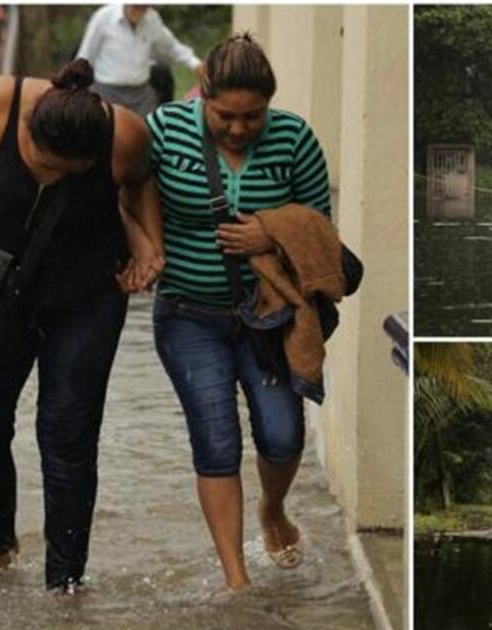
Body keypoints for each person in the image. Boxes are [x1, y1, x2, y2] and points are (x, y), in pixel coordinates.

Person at [0, 59, 164, 592]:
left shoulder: (124, 133)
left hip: (87, 297)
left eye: (69, 174)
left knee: (68, 434)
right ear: (27, 128)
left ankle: (66, 580)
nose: (51, 179)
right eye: (43, 166)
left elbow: (142, 183)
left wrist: (150, 243)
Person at [146, 33, 333, 591]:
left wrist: (269, 230)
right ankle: (237, 581)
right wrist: (142, 249)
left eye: (253, 116)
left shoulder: (295, 139)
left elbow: (320, 233)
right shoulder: (163, 131)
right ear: (203, 94)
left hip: (267, 318)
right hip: (186, 314)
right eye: (225, 115)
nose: (238, 128)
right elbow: (130, 193)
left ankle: (272, 509)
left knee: (282, 436)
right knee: (217, 442)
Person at [76, 4, 204, 117]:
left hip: (140, 94)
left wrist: (195, 63)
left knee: (149, 135)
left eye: (143, 6)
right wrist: (74, 87)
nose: (138, 8)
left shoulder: (152, 19)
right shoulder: (104, 17)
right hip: (106, 93)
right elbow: (85, 57)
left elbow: (171, 47)